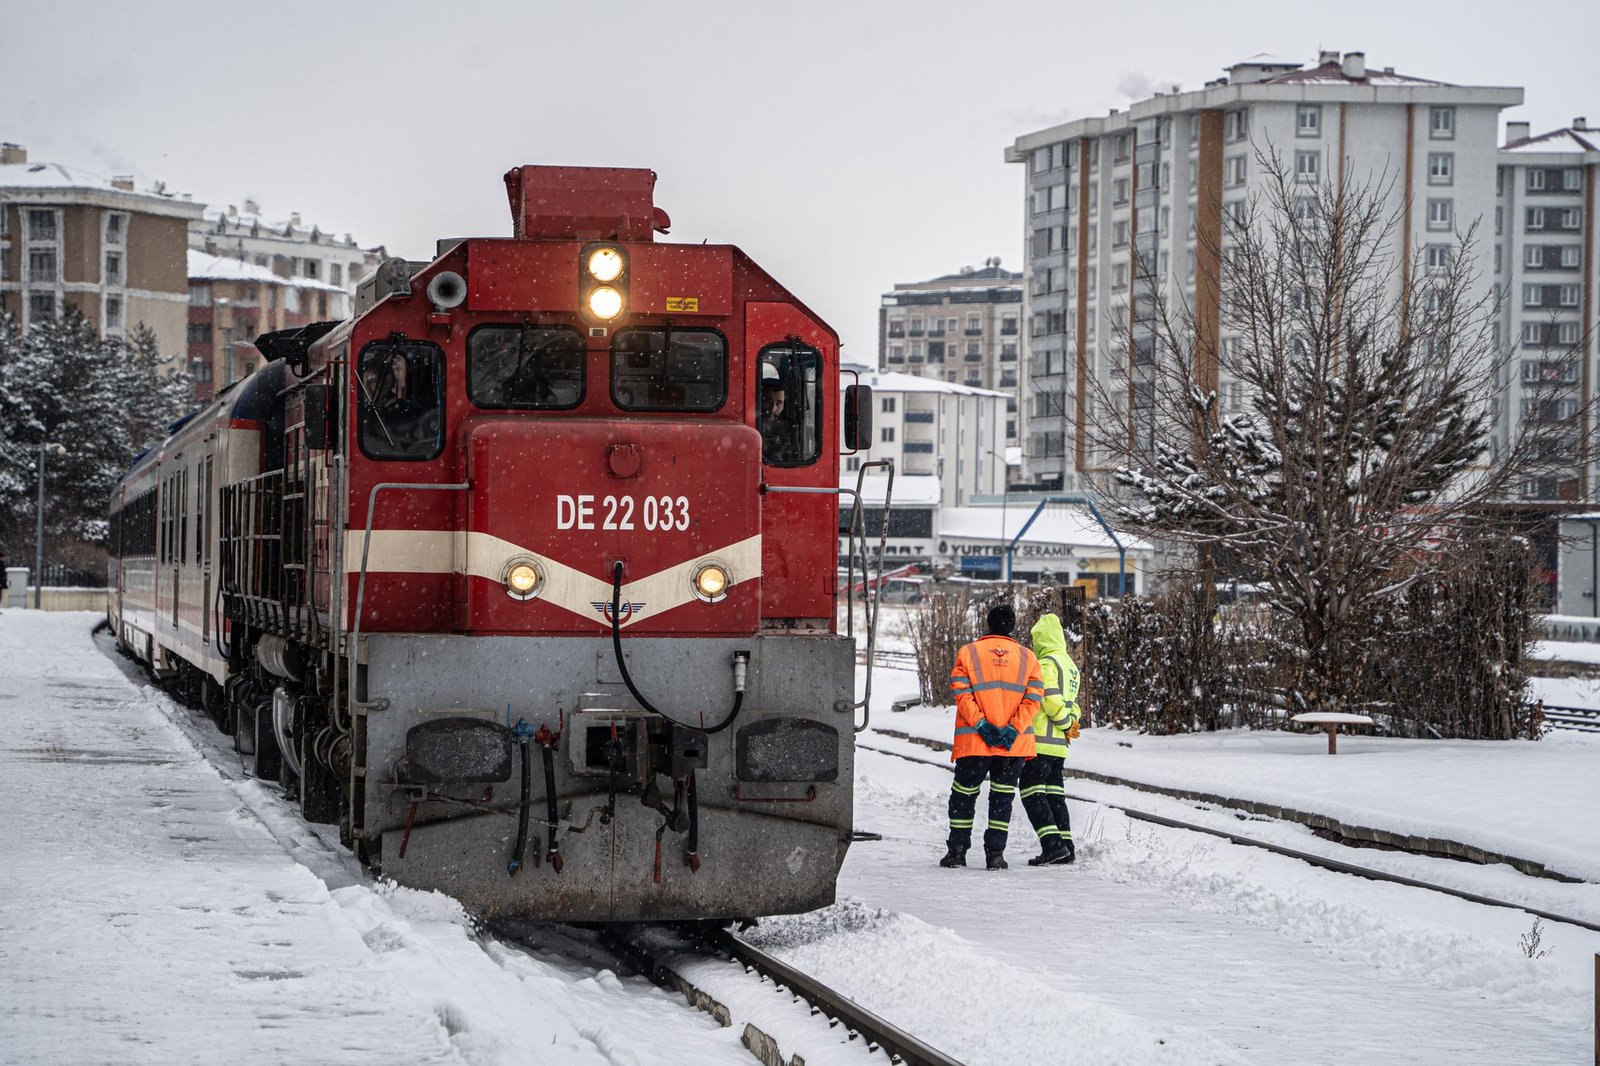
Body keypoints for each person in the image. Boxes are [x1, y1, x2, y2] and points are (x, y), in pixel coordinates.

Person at [941, 603, 1044, 871]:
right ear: (1012, 627)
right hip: (1013, 746)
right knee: (1002, 799)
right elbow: (1034, 699)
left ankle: (957, 852)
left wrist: (983, 725)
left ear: (988, 624)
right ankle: (995, 855)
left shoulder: (969, 653)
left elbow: (961, 693)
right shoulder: (1028, 658)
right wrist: (1012, 729)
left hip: (975, 742)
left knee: (963, 796)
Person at [1020, 611, 1082, 865]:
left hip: (1041, 743)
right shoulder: (1070, 666)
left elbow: (1050, 699)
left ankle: (1052, 845)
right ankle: (1066, 846)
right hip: (1059, 746)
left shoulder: (1047, 664)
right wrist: (1071, 724)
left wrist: (1064, 722)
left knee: (1030, 791)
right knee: (1055, 794)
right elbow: (1073, 704)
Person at [758, 380, 793, 462]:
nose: (772, 408)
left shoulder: (789, 428)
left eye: (778, 403)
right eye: (768, 401)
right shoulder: (750, 423)